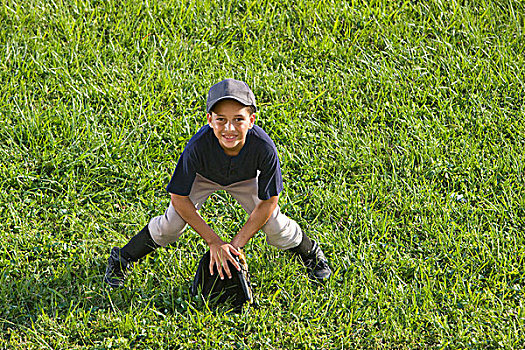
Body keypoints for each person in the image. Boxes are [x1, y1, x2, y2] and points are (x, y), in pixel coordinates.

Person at [104, 78, 331, 288]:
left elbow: (269, 201)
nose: (229, 128)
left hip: (245, 179)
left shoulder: (264, 148)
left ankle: (311, 253)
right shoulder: (198, 147)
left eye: (238, 119)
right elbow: (179, 198)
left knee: (275, 224)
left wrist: (236, 244)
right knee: (170, 224)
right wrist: (214, 241)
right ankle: (122, 257)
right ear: (209, 120)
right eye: (221, 119)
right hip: (204, 177)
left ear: (251, 121)